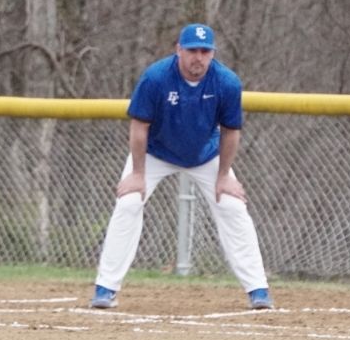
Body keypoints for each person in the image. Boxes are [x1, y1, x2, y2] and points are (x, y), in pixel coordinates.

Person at [90, 24, 273, 311]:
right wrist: (137, 174)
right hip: (155, 152)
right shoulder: (156, 78)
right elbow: (139, 126)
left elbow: (231, 131)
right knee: (128, 203)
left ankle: (258, 290)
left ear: (212, 53)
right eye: (191, 50)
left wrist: (224, 176)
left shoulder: (226, 82)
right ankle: (105, 288)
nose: (198, 57)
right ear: (178, 50)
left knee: (232, 206)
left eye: (205, 51)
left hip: (205, 154)